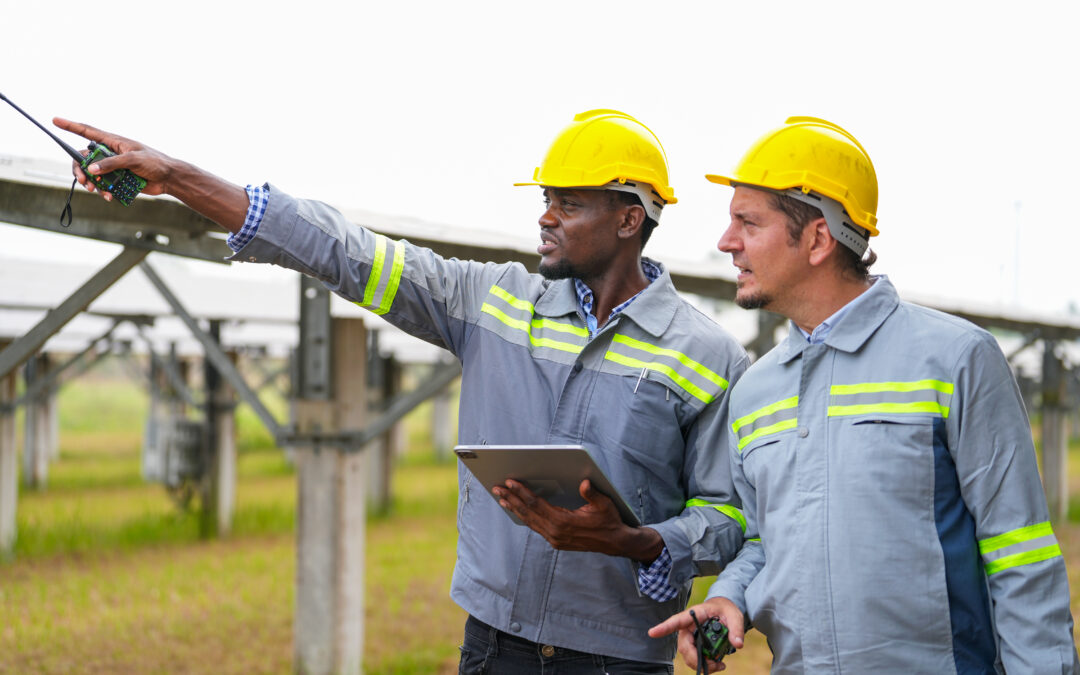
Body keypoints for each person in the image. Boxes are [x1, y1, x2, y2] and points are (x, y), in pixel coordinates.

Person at [55, 109, 750, 672]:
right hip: (493, 645)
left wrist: (637, 541)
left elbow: (729, 516)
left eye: (567, 203)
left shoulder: (709, 356)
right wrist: (177, 177)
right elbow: (344, 251)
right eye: (545, 199)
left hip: (619, 660)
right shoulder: (492, 302)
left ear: (630, 218)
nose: (545, 217)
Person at [649, 116, 1080, 673]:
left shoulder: (956, 358)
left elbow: (1020, 555)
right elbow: (765, 540)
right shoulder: (754, 391)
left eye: (747, 223)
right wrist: (731, 595)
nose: (726, 242)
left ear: (818, 239)